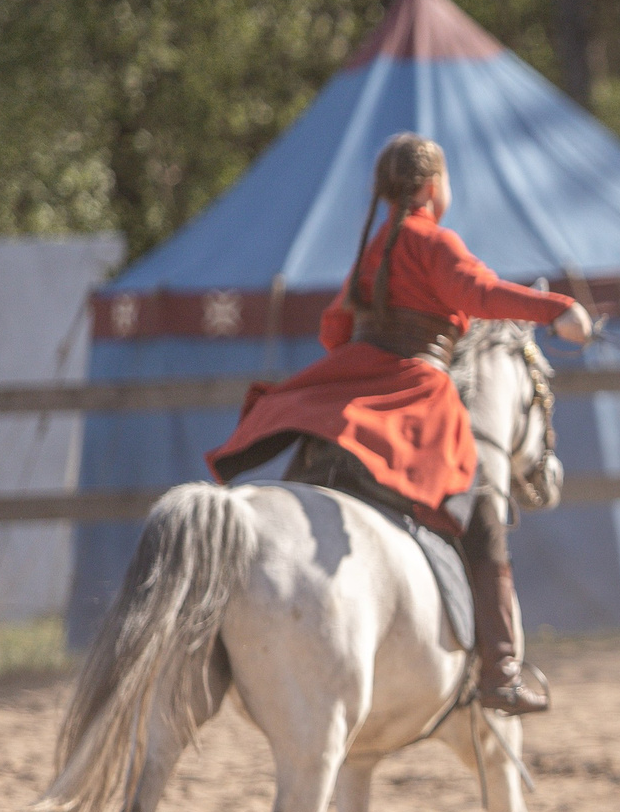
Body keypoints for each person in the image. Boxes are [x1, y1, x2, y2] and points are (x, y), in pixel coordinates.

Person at [208, 134, 592, 716]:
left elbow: (335, 330)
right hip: (415, 389)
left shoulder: (374, 246)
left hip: (355, 378)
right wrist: (559, 310)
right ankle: (501, 670)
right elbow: (481, 293)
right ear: (432, 186)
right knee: (481, 507)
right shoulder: (434, 240)